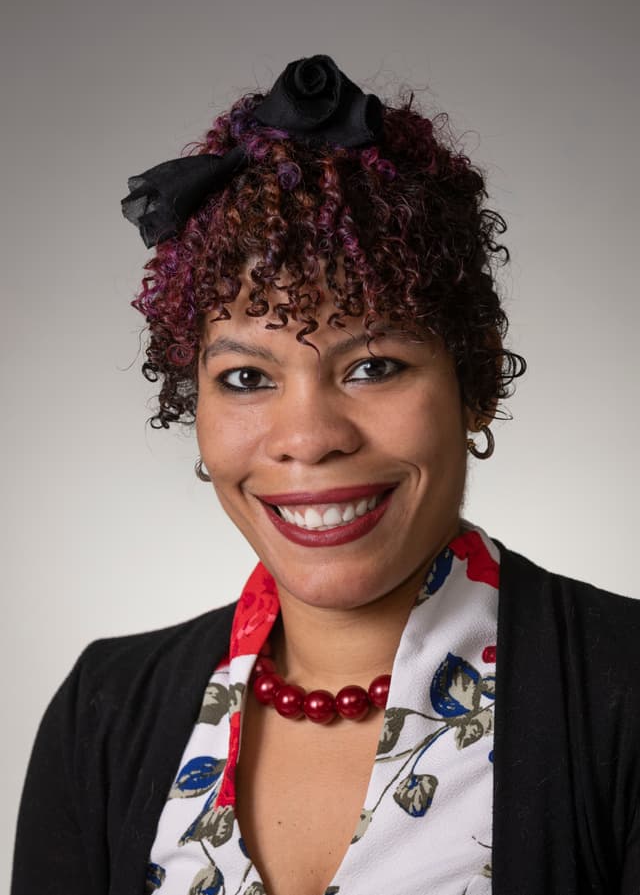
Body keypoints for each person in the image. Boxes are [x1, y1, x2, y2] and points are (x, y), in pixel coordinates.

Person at [11, 55, 640, 895]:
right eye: (246, 377)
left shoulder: (626, 692)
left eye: (374, 365)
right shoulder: (102, 713)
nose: (307, 438)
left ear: (476, 381)